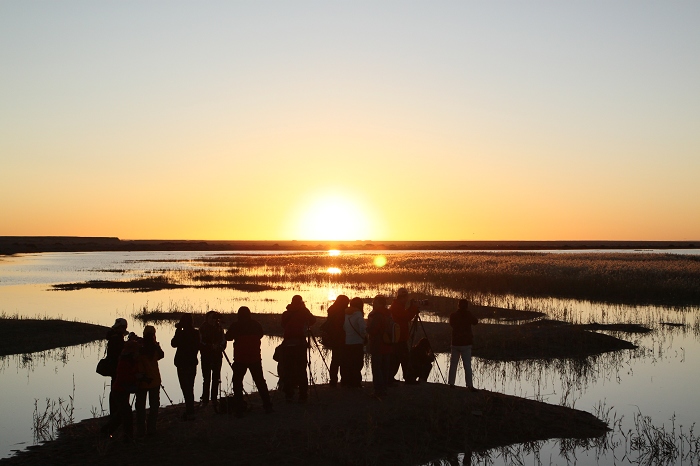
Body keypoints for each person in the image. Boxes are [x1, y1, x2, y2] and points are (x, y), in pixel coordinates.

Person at [225, 306, 273, 415]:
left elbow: (228, 337)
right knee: (260, 382)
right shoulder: (256, 324)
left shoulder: (236, 325)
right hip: (255, 357)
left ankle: (240, 407)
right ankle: (267, 405)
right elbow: (260, 335)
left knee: (237, 383)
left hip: (240, 358)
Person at [280, 295, 316, 402]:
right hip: (299, 343)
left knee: (288, 369)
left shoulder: (286, 313)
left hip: (287, 344)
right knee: (301, 369)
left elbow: (283, 325)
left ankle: (289, 394)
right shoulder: (303, 312)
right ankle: (303, 395)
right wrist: (304, 309)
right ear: (300, 302)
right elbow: (313, 320)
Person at [100, 317, 128, 435]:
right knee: (120, 398)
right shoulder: (117, 340)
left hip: (114, 372)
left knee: (115, 395)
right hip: (118, 372)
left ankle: (114, 419)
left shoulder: (113, 338)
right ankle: (112, 426)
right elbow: (121, 353)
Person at [112, 333, 142, 442]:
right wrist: (136, 377)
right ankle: (127, 437)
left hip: (122, 390)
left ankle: (109, 432)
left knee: (122, 415)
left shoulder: (128, 359)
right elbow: (125, 379)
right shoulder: (125, 362)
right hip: (119, 391)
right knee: (126, 415)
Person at [135, 325, 164, 437]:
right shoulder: (155, 348)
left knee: (140, 407)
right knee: (154, 405)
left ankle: (141, 429)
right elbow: (161, 356)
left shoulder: (139, 348)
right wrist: (156, 344)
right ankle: (152, 428)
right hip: (155, 380)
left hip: (142, 381)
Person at [171, 313, 201, 420]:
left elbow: (173, 343)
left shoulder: (182, 333)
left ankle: (189, 411)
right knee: (190, 387)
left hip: (182, 363)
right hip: (192, 363)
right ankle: (190, 410)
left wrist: (178, 329)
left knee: (185, 387)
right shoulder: (196, 333)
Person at [389, 287, 419, 384]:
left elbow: (405, 315)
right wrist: (413, 308)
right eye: (405, 297)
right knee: (404, 358)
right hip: (399, 338)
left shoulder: (398, 305)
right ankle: (408, 378)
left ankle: (390, 377)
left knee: (397, 359)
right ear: (401, 297)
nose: (406, 299)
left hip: (399, 337)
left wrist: (411, 307)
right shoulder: (396, 306)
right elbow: (406, 317)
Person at [448, 299, 479, 391]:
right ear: (466, 306)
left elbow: (452, 324)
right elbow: (475, 322)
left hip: (455, 343)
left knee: (453, 364)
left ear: (458, 305)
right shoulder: (468, 315)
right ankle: (469, 385)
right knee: (467, 365)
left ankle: (451, 383)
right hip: (466, 343)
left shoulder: (453, 315)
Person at [366, 295, 393, 397]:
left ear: (379, 303)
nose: (373, 303)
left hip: (378, 345)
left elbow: (373, 330)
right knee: (385, 368)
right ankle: (384, 389)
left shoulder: (377, 315)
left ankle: (378, 391)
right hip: (388, 344)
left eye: (375, 302)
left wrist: (367, 328)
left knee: (377, 369)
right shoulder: (389, 314)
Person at [199, 310, 226, 411]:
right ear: (207, 319)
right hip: (206, 357)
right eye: (211, 318)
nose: (213, 320)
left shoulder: (219, 328)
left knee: (216, 378)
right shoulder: (202, 328)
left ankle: (214, 399)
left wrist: (219, 347)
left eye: (214, 318)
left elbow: (224, 341)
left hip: (217, 356)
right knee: (206, 379)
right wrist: (211, 346)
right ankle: (205, 400)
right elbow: (200, 343)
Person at [323, 295, 350, 387]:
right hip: (342, 337)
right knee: (343, 360)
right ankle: (344, 380)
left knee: (335, 360)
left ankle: (333, 380)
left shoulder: (332, 309)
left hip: (334, 338)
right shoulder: (343, 311)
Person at [341, 297, 367, 388]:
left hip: (348, 342)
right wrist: (365, 336)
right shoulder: (358, 314)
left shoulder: (346, 314)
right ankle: (356, 383)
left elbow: (344, 327)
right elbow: (363, 329)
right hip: (357, 342)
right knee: (357, 363)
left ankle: (348, 381)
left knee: (349, 363)